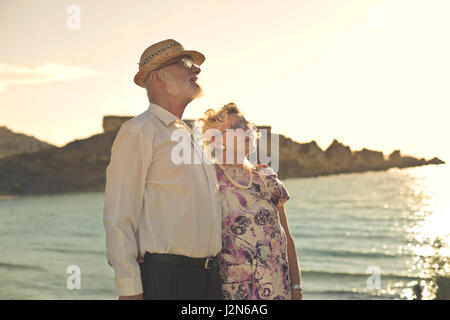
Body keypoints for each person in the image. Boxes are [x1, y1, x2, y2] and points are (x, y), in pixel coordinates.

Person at [103, 39, 223, 300]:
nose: (197, 70)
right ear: (158, 77)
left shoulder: (190, 136)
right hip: (168, 280)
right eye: (186, 64)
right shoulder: (139, 131)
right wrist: (129, 289)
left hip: (210, 278)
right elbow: (119, 216)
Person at [197, 103, 303, 300]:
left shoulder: (267, 177)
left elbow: (286, 236)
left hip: (280, 290)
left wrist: (296, 286)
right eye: (236, 127)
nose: (246, 130)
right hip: (235, 294)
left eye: (246, 124)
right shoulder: (207, 179)